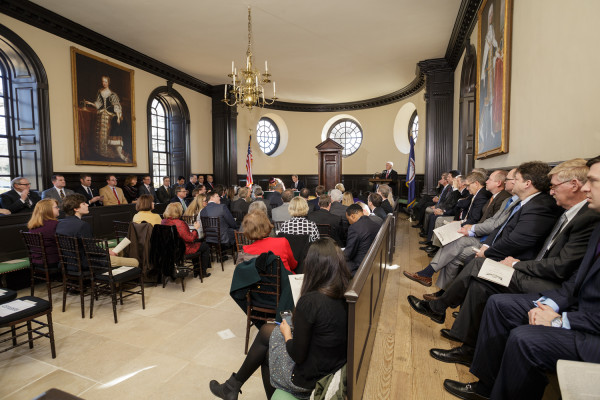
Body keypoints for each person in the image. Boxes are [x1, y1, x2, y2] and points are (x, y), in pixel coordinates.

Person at [442, 155, 600, 400]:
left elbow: (561, 268)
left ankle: (442, 306)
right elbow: (575, 275)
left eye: (555, 186)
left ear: (574, 186)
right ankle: (478, 368)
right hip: (553, 286)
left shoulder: (583, 217)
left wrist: (559, 318)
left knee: (481, 268)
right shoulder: (571, 212)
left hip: (552, 286)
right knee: (488, 292)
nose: (551, 191)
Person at [209, 237, 350, 400]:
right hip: (330, 366)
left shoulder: (311, 302)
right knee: (266, 331)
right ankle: (231, 387)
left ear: (313, 267)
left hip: (308, 381)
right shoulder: (345, 292)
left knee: (268, 350)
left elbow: (297, 355)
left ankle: (232, 387)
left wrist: (287, 333)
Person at [56, 194, 138, 270]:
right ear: (76, 209)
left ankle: (115, 278)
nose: (87, 205)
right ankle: (112, 279)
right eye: (84, 204)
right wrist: (106, 252)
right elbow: (91, 250)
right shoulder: (82, 225)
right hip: (87, 263)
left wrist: (107, 251)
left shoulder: (59, 223)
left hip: (68, 263)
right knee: (135, 262)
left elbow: (88, 247)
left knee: (118, 251)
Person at [84, 75, 130, 162]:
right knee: (100, 133)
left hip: (109, 116)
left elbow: (117, 106)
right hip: (101, 115)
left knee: (107, 133)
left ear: (108, 82)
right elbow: (98, 104)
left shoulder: (113, 94)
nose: (104, 83)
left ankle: (108, 152)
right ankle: (101, 152)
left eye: (105, 81)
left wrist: (118, 117)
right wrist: (90, 103)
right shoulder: (100, 92)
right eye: (103, 81)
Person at [161, 202, 211, 278]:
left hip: (169, 249)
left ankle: (196, 270)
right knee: (205, 246)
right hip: (182, 249)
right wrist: (195, 229)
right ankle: (202, 272)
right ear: (178, 211)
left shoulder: (164, 221)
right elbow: (190, 238)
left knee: (197, 244)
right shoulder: (179, 223)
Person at [344, 203, 380, 275]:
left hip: (359, 265)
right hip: (374, 260)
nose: (349, 222)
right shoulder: (376, 224)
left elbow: (348, 254)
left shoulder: (354, 228)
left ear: (353, 216)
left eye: (348, 219)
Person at [27, 198, 60, 270]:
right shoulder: (55, 224)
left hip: (36, 260)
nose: (59, 209)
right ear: (47, 210)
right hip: (52, 261)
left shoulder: (33, 225)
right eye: (56, 207)